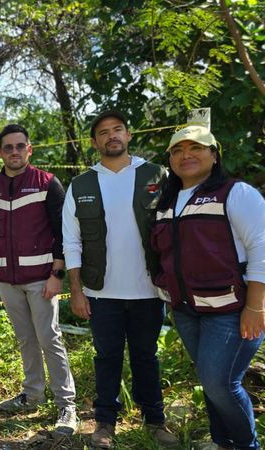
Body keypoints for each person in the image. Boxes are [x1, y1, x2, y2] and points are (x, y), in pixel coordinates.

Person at [62, 111, 178, 448]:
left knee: (146, 357)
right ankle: (104, 424)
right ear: (94, 141)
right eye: (103, 132)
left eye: (117, 130)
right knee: (106, 357)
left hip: (150, 290)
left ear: (128, 135)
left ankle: (155, 421)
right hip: (101, 292)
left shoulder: (157, 175)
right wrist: (77, 291)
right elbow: (71, 240)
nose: (111, 136)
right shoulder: (81, 183)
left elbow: (175, 231)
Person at [151, 126, 265, 450]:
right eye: (177, 150)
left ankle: (247, 445)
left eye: (196, 147)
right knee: (210, 382)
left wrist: (256, 306)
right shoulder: (166, 202)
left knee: (221, 384)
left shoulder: (236, 193)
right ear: (170, 160)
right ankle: (221, 442)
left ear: (214, 155)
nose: (186, 155)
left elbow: (262, 247)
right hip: (187, 311)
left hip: (232, 311)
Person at [0, 124, 78, 434]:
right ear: (0, 152)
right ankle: (32, 394)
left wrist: (57, 274)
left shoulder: (47, 183)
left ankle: (67, 406)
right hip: (6, 281)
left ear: (29, 149)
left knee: (50, 338)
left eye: (19, 146)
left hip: (41, 280)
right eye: (8, 147)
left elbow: (63, 231)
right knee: (25, 339)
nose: (14, 152)